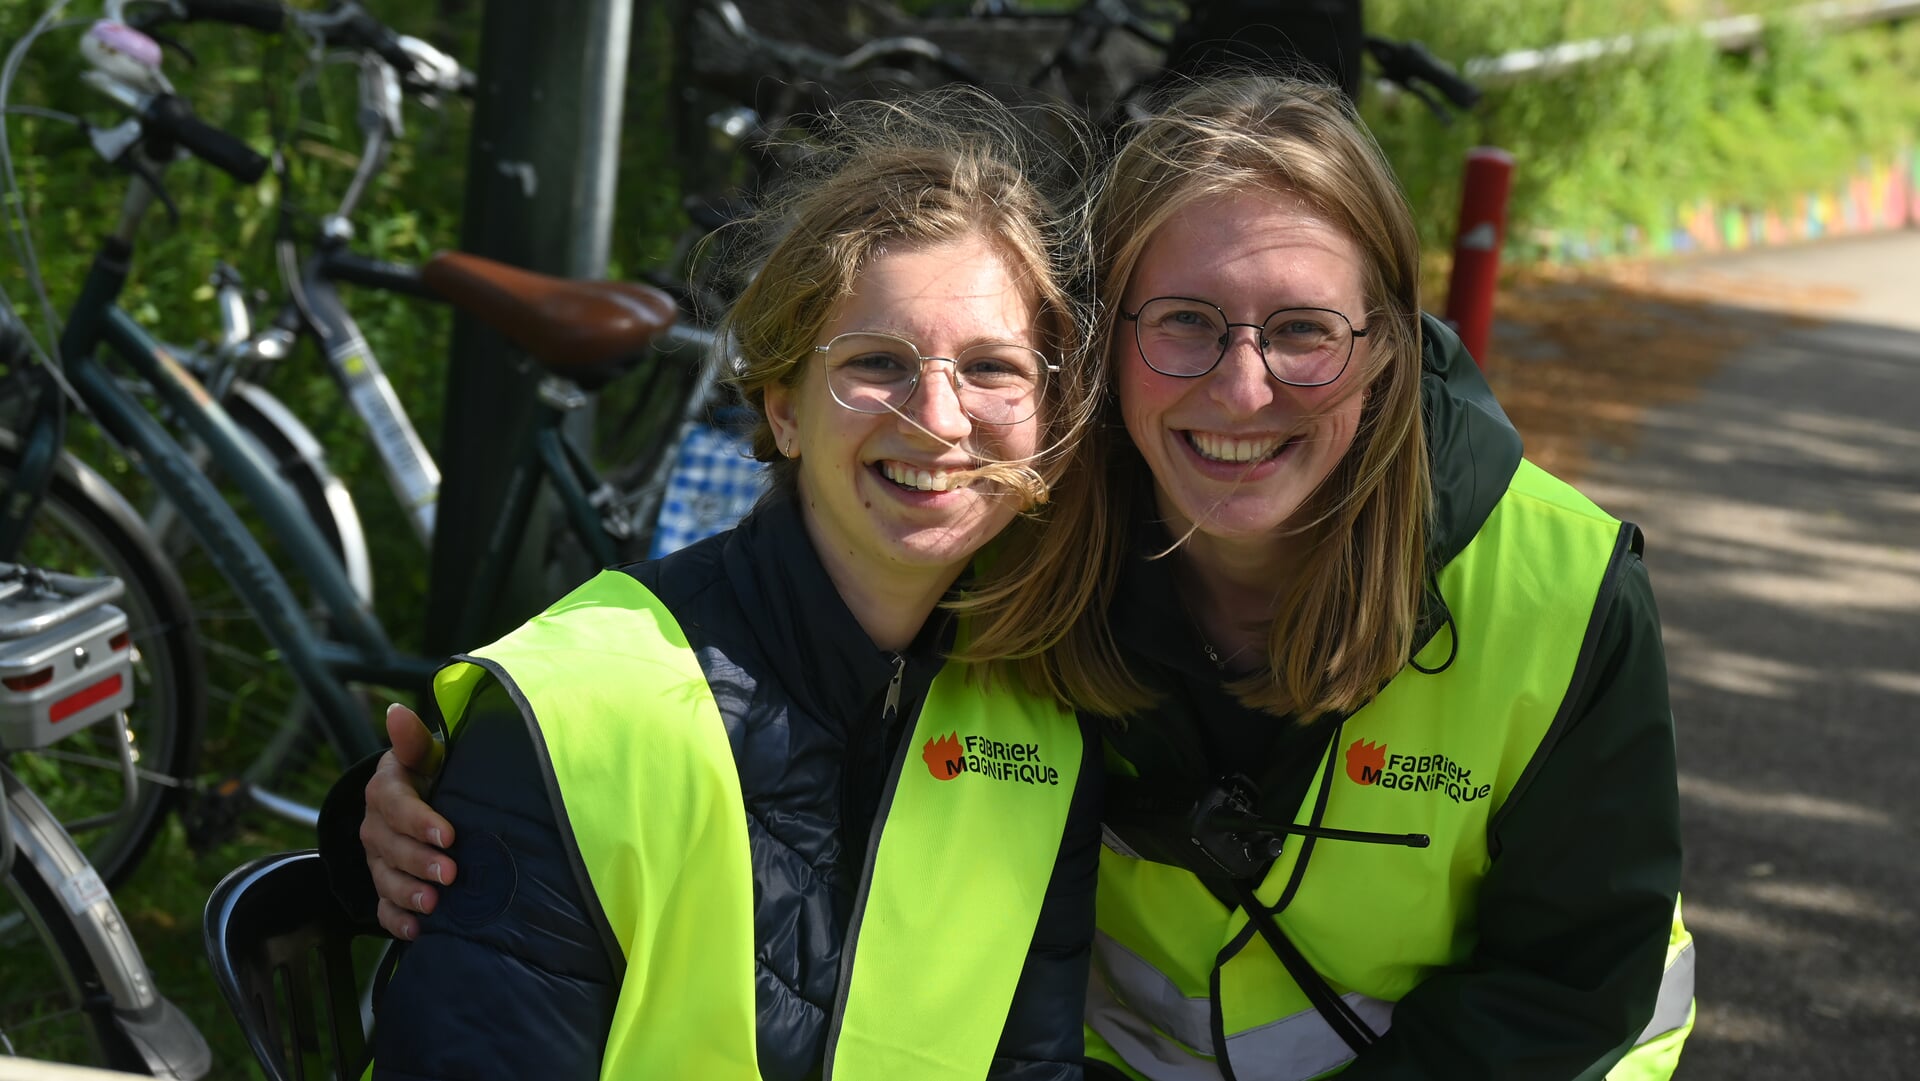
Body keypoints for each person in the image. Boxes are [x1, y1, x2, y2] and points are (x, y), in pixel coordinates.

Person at [353, 75, 1693, 1080]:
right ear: (1104, 364)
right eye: (1182, 323)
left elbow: (1574, 984)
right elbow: (663, 725)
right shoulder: (1033, 558)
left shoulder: (1557, 590)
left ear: (1391, 349)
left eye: (1303, 330)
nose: (1241, 383)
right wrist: (433, 799)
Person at [327, 90, 1108, 1081]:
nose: (939, 418)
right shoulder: (583, 710)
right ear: (782, 407)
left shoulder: (1041, 723)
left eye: (993, 367)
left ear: (1046, 413)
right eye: (877, 361)